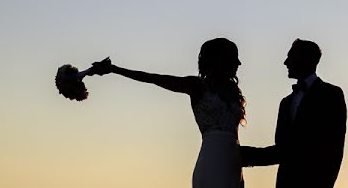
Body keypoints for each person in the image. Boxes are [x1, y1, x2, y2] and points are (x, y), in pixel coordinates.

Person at [90, 37, 246, 188]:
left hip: (233, 165)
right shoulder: (197, 86)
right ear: (218, 59)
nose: (238, 63)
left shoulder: (233, 92)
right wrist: (114, 69)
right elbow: (153, 78)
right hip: (211, 161)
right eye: (233, 57)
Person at [241, 39, 346, 188]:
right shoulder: (285, 103)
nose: (286, 62)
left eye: (291, 56)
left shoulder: (331, 94)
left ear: (307, 59)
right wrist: (242, 155)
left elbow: (335, 147)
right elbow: (283, 148)